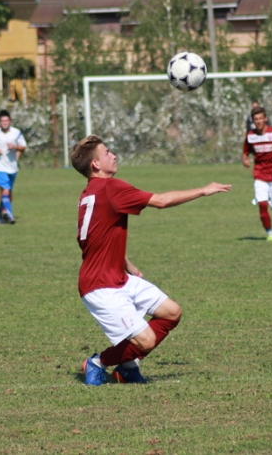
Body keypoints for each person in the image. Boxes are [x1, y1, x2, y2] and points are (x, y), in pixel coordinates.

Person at [71, 135, 231, 386]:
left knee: (172, 313)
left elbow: (96, 239)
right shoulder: (110, 188)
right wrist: (203, 190)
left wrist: (128, 265)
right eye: (107, 152)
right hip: (100, 287)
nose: (113, 155)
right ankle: (98, 362)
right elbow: (161, 201)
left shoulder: (87, 194)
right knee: (145, 341)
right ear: (95, 165)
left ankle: (126, 368)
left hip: (117, 278)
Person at [242, 106, 272, 241]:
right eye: (256, 119)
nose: (258, 121)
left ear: (265, 119)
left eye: (260, 118)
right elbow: (245, 151)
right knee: (262, 204)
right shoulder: (250, 136)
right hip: (260, 174)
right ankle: (270, 234)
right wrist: (245, 159)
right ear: (253, 121)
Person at [0, 110, 27, 224]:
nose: (5, 123)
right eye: (2, 121)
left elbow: (23, 147)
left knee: (8, 193)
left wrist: (15, 147)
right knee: (5, 190)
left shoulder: (16, 133)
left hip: (12, 167)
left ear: (10, 121)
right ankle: (10, 215)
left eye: (6, 120)